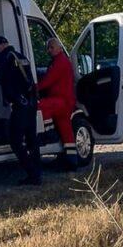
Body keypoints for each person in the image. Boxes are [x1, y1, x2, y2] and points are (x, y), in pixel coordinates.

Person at [0, 34, 41, 185]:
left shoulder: (5, 58)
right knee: (31, 139)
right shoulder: (21, 56)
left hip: (20, 104)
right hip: (31, 102)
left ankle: (32, 173)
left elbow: (8, 81)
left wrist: (8, 98)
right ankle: (37, 174)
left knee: (15, 140)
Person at [38, 37, 78, 170]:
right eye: (48, 48)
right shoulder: (61, 61)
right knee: (67, 133)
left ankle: (49, 134)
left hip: (61, 100)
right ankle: (71, 161)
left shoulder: (60, 62)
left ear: (59, 47)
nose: (49, 50)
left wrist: (33, 88)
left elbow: (49, 80)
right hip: (65, 101)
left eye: (51, 47)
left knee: (41, 107)